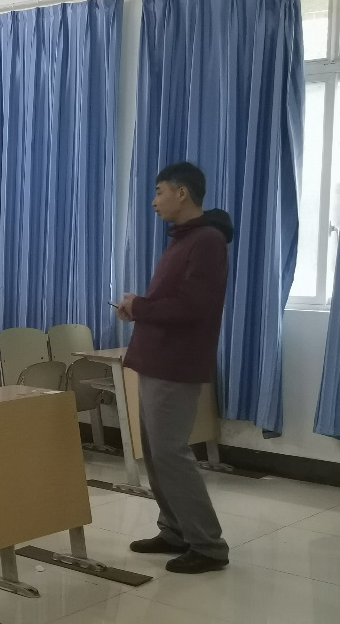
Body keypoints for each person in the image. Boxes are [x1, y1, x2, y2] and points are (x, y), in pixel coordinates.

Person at [117, 162, 233, 574]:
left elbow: (192, 307)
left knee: (171, 454)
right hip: (156, 357)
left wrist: (140, 307)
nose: (154, 201)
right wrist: (138, 310)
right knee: (155, 454)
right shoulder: (183, 239)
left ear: (182, 192)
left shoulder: (207, 241)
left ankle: (208, 545)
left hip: (175, 363)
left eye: (159, 191)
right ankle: (175, 531)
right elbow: (172, 301)